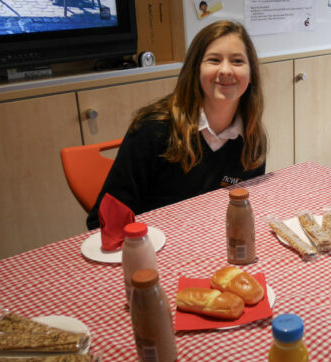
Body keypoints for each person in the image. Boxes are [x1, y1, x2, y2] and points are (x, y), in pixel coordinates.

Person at [86, 20, 267, 230]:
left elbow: (243, 211)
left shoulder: (252, 137)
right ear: (195, 70)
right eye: (214, 60)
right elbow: (101, 222)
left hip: (216, 244)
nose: (226, 70)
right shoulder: (152, 129)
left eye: (237, 61)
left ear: (251, 73)